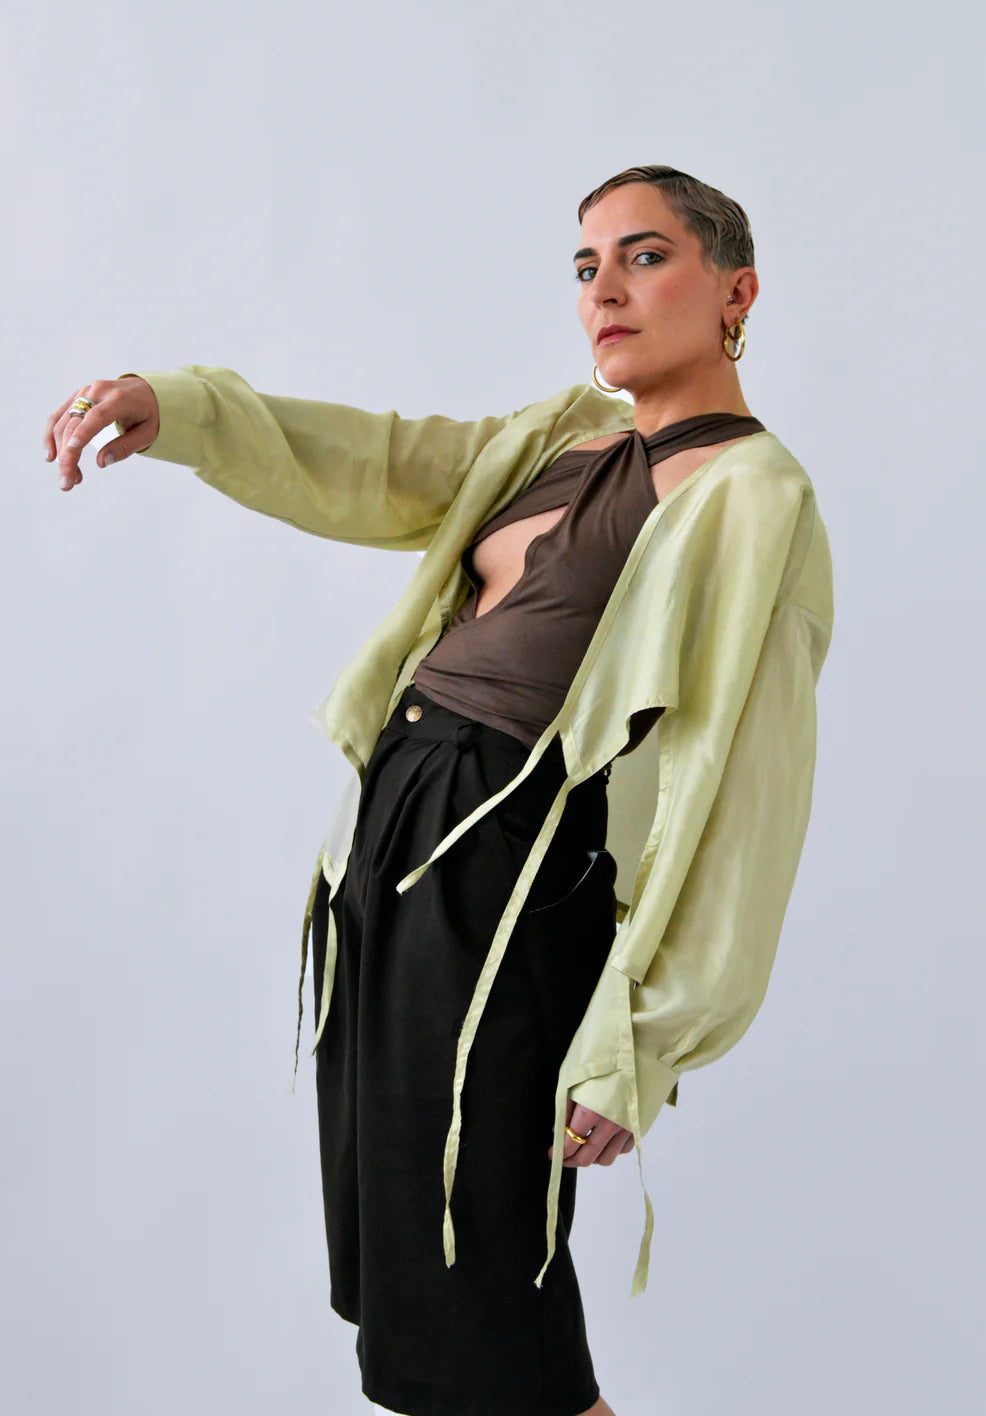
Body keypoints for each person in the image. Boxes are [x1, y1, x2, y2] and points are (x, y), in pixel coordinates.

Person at [44, 164, 834, 1416]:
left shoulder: (754, 492)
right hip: (397, 845)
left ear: (735, 292)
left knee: (492, 1299)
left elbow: (751, 788)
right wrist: (182, 410)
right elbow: (380, 459)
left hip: (512, 868)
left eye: (644, 257)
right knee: (422, 1283)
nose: (605, 290)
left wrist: (647, 1036)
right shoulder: (557, 439)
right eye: (586, 266)